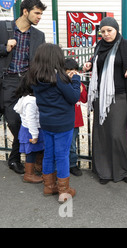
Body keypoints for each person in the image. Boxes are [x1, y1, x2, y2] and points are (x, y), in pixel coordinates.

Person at [83, 17, 127, 185]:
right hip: (100, 97)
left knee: (116, 134)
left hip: (120, 96)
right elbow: (97, 61)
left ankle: (123, 171)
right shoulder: (99, 46)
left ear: (116, 29)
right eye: (103, 31)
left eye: (109, 30)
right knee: (101, 134)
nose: (106, 34)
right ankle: (104, 172)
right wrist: (89, 63)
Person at [0, 0, 46, 174]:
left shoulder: (39, 35)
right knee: (14, 121)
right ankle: (31, 156)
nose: (39, 17)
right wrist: (4, 48)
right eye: (37, 13)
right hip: (7, 81)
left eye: (41, 13)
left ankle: (16, 159)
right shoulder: (0, 27)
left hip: (28, 83)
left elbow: (41, 61)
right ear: (25, 11)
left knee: (28, 121)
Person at [28, 43, 81, 203]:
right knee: (63, 156)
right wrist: (76, 79)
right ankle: (64, 191)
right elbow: (74, 97)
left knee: (49, 155)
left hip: (47, 123)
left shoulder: (35, 77)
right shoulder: (59, 78)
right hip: (63, 124)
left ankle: (49, 186)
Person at [13, 74, 44, 184]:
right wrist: (34, 135)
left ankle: (37, 168)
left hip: (31, 129)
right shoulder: (31, 101)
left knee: (38, 150)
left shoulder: (25, 98)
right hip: (32, 130)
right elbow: (31, 119)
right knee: (31, 152)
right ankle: (29, 174)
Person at [65, 58, 87, 177]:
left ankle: (72, 164)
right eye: (69, 71)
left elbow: (84, 99)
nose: (72, 73)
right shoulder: (63, 84)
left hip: (75, 120)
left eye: (74, 71)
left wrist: (81, 87)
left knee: (73, 144)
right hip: (65, 119)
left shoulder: (79, 84)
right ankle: (64, 165)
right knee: (64, 144)